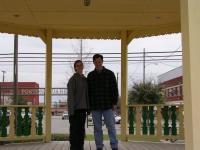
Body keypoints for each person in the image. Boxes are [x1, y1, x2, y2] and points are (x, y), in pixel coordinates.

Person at [87, 54, 119, 150]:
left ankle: (114, 145)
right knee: (97, 128)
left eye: (99, 61)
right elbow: (88, 92)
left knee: (111, 127)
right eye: (95, 62)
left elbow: (114, 89)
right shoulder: (90, 75)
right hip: (95, 107)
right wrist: (89, 106)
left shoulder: (110, 74)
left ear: (102, 61)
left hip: (108, 106)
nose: (97, 63)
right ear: (93, 63)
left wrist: (114, 103)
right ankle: (99, 146)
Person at [67, 60, 89, 150]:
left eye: (81, 65)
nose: (80, 67)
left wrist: (88, 108)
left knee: (81, 131)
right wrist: (71, 112)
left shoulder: (85, 79)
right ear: (75, 68)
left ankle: (80, 147)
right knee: (74, 132)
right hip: (75, 110)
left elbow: (87, 94)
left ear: (83, 66)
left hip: (83, 109)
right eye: (78, 65)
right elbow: (71, 97)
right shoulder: (72, 80)